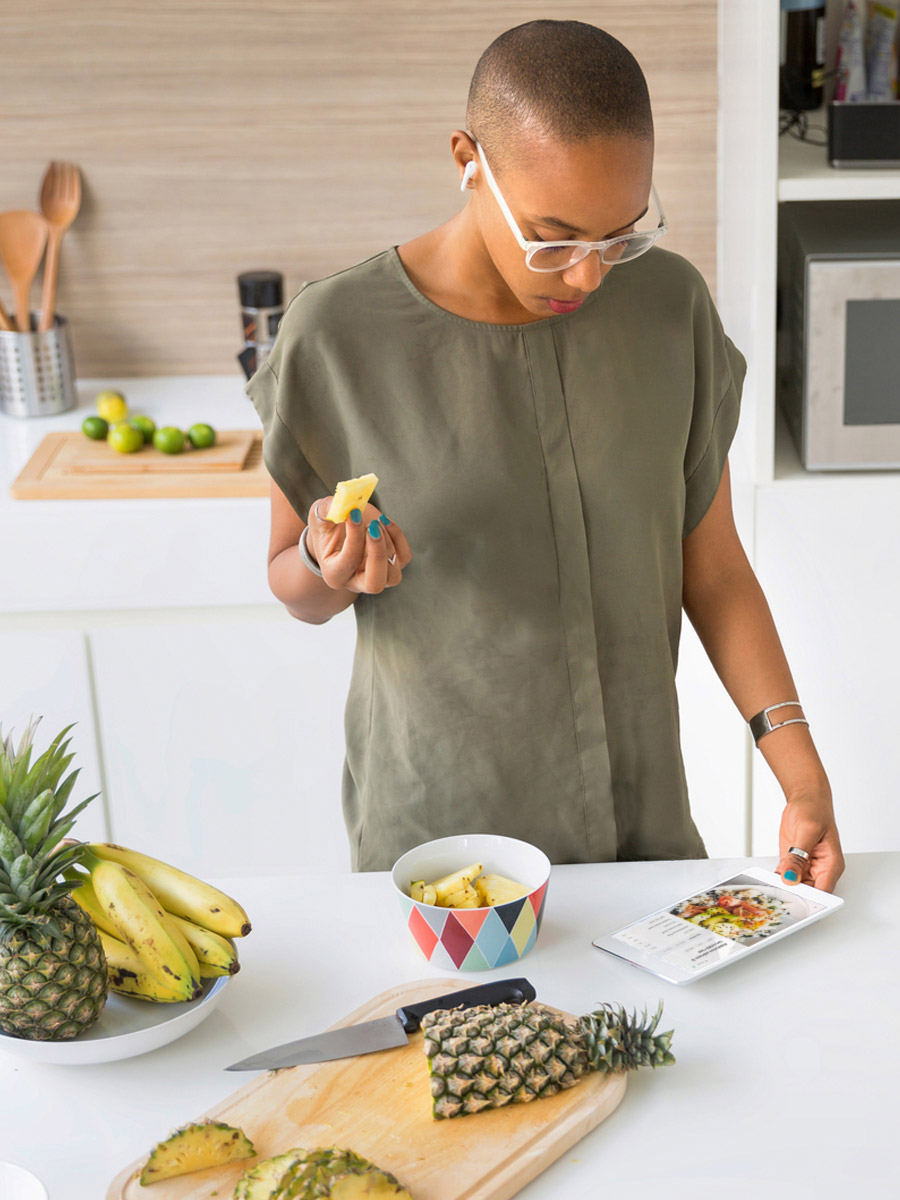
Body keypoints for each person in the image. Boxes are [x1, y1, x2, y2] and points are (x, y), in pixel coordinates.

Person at [248, 19, 844, 890]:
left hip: (643, 844)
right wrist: (326, 564)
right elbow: (292, 587)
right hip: (445, 854)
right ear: (466, 158)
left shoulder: (668, 307)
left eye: (620, 234)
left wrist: (801, 773)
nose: (587, 276)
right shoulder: (338, 337)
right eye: (552, 237)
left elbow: (712, 571)